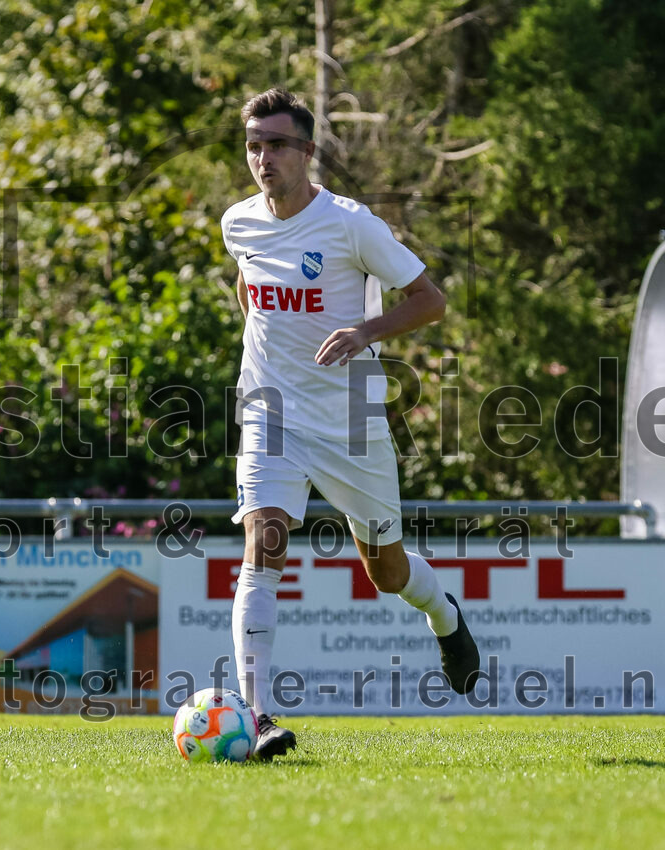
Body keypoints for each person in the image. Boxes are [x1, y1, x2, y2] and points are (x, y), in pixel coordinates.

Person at [221, 88, 480, 760]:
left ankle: (445, 616)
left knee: (386, 573)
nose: (262, 156)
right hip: (271, 413)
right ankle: (258, 718)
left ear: (308, 152)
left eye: (276, 144)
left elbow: (431, 302)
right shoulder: (237, 224)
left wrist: (364, 332)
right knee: (265, 540)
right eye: (253, 144)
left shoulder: (349, 224)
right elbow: (255, 301)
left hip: (350, 422)